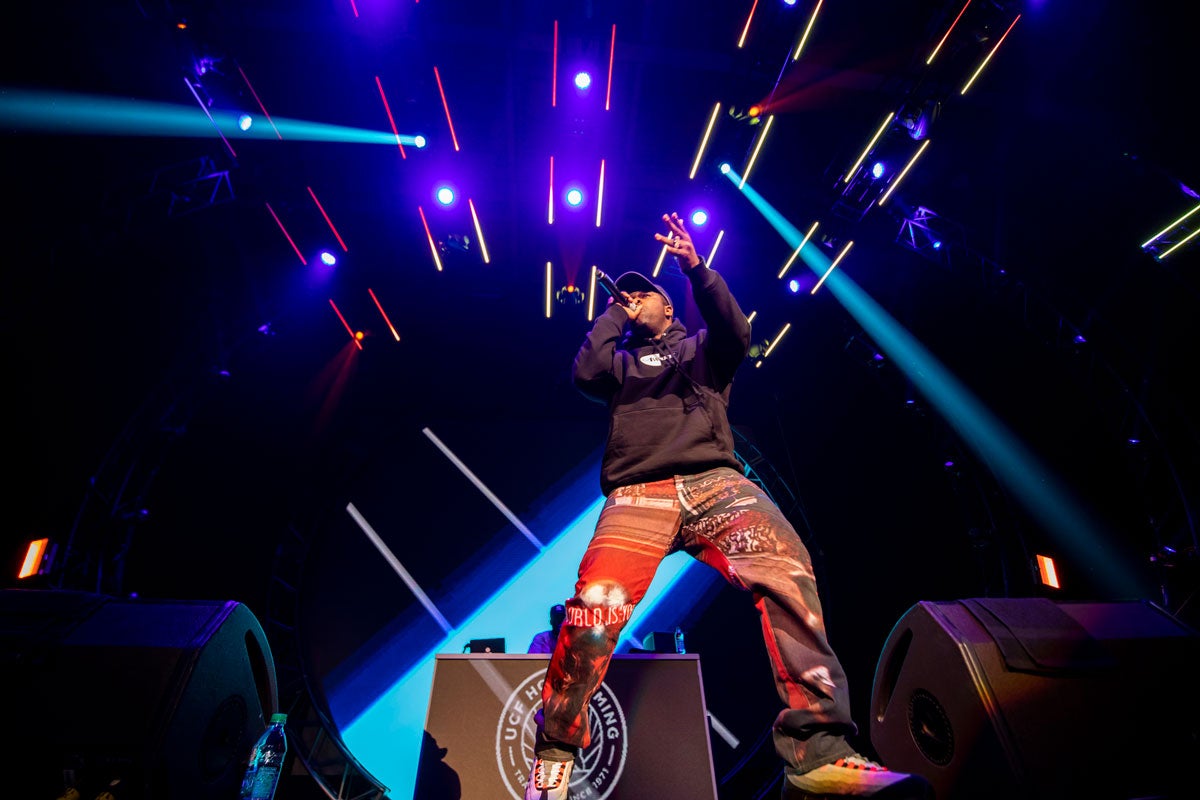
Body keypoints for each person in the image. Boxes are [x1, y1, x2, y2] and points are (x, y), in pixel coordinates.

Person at [524, 212, 930, 800]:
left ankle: (819, 753)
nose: (634, 298)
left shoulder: (701, 352)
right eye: (628, 293)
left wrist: (693, 267)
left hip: (717, 482)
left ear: (669, 306)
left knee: (787, 573)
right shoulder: (621, 367)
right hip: (639, 491)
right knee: (594, 608)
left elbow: (736, 331)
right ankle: (557, 751)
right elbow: (585, 369)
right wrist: (615, 310)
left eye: (645, 294)